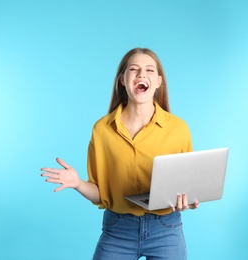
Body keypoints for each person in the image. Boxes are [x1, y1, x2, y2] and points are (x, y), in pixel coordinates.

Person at [41, 47, 199, 259]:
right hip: (118, 230)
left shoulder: (178, 129)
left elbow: (186, 188)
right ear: (123, 80)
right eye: (134, 69)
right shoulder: (102, 130)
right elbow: (100, 194)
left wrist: (188, 200)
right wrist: (78, 183)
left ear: (159, 81)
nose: (142, 74)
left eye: (149, 70)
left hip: (165, 230)